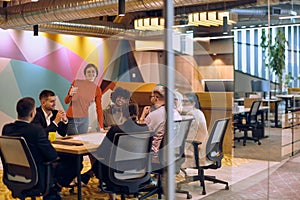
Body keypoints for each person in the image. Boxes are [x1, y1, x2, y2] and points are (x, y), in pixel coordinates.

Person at [82, 102, 148, 200]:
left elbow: (101, 151)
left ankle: (87, 176)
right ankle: (86, 176)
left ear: (122, 113)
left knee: (97, 158)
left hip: (116, 172)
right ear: (137, 112)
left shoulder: (115, 129)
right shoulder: (145, 129)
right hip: (138, 169)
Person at [2, 97, 61, 200]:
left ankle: (53, 191)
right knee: (69, 163)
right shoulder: (36, 130)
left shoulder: (7, 129)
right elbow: (52, 155)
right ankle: (53, 191)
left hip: (13, 174)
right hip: (37, 177)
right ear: (33, 113)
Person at [32, 90, 82, 189]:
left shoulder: (55, 113)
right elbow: (41, 134)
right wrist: (55, 122)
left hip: (56, 146)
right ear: (43, 102)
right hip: (43, 150)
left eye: (55, 101)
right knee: (71, 164)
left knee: (77, 160)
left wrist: (65, 121)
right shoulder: (36, 114)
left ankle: (58, 185)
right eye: (51, 101)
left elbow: (62, 132)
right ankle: (55, 184)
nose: (54, 104)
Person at [139, 85, 182, 162]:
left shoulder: (154, 115)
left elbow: (140, 133)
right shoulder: (176, 113)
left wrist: (142, 116)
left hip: (154, 155)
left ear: (156, 97)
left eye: (152, 96)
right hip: (172, 153)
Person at [64, 63, 104, 134]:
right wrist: (70, 95)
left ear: (96, 74)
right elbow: (66, 101)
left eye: (93, 72)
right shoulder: (77, 83)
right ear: (85, 74)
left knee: (83, 141)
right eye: (88, 72)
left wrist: (101, 126)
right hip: (72, 118)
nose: (91, 73)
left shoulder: (97, 89)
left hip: (85, 119)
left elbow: (99, 109)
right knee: (74, 142)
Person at [180, 92, 209, 169]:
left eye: (186, 101)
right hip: (203, 146)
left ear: (193, 103)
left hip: (196, 148)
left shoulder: (192, 114)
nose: (183, 103)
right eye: (182, 101)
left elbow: (188, 135)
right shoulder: (198, 112)